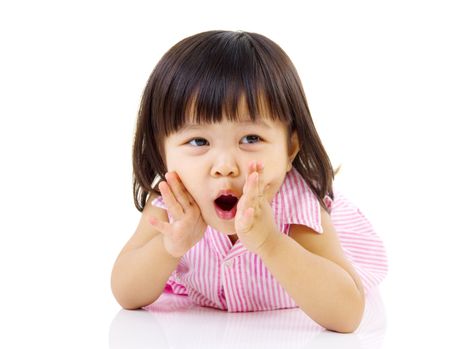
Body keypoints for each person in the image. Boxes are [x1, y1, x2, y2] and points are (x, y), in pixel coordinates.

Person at [111, 30, 388, 333]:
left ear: (290, 149)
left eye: (251, 138)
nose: (225, 167)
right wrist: (169, 247)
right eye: (198, 141)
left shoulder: (298, 208)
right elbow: (126, 293)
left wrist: (270, 242)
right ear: (161, 150)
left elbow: (346, 314)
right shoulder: (171, 205)